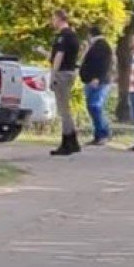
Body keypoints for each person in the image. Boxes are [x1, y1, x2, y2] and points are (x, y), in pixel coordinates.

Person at [49, 9, 82, 156]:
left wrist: (53, 74)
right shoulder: (73, 35)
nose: (52, 22)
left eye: (53, 18)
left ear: (59, 18)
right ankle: (73, 141)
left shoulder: (63, 36)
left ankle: (67, 142)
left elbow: (59, 56)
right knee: (65, 108)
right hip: (69, 72)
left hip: (62, 73)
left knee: (63, 110)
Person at [79, 25, 113, 146]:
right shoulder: (93, 46)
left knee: (95, 106)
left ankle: (104, 133)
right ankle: (98, 134)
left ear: (90, 35)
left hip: (99, 82)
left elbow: (104, 64)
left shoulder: (102, 46)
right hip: (91, 80)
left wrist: (98, 78)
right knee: (91, 107)